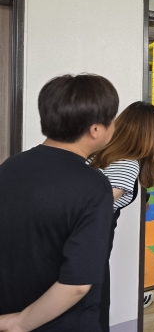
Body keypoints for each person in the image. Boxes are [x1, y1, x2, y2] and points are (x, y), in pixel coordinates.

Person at [0, 74, 118, 332]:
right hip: (62, 324)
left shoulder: (9, 166)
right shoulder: (93, 185)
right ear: (95, 130)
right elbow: (77, 284)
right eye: (112, 120)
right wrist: (20, 322)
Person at [89, 101, 154, 332]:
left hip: (88, 243)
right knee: (94, 309)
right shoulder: (128, 165)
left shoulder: (100, 153)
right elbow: (91, 207)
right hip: (89, 245)